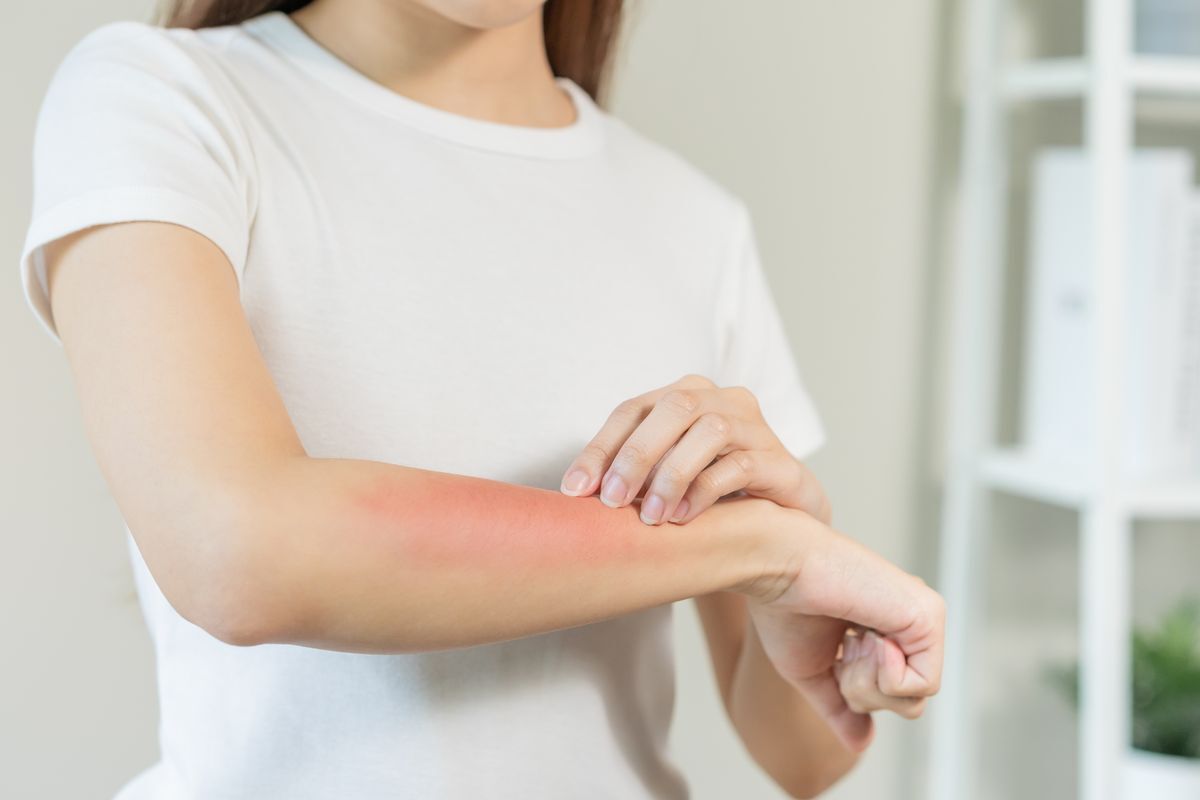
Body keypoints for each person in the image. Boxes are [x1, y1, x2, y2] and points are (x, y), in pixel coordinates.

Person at [17, 1, 944, 798]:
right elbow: (235, 550)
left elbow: (803, 755)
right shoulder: (162, 98)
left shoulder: (695, 221)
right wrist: (765, 547)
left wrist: (808, 581)